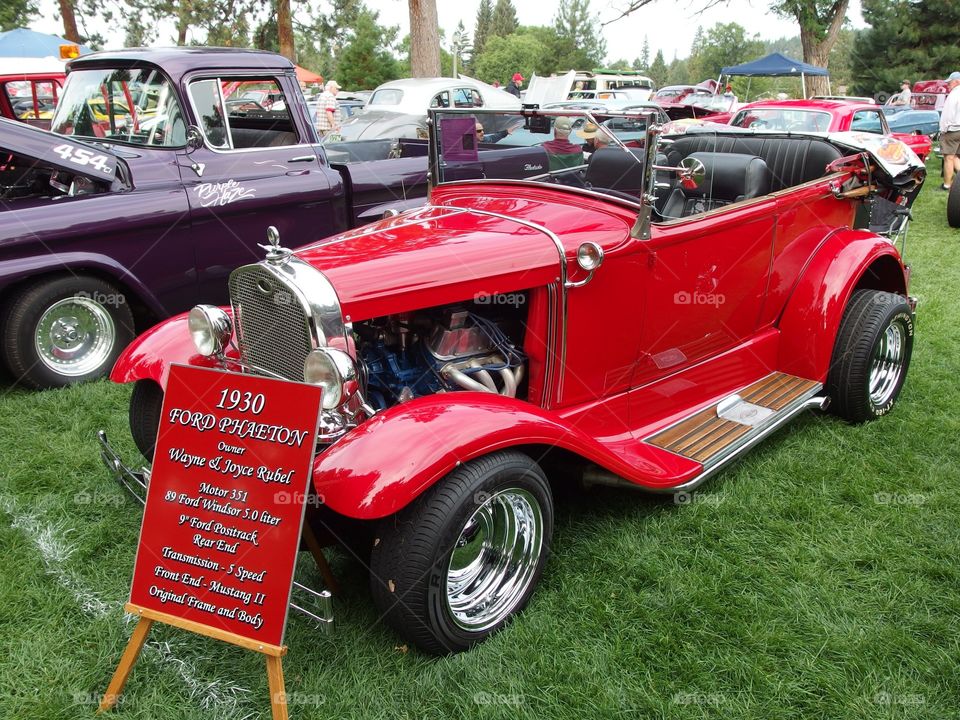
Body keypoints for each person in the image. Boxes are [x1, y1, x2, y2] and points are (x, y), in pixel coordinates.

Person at [939, 72, 960, 191]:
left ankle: (947, 185)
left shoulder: (954, 94)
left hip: (953, 130)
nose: (948, 84)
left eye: (950, 82)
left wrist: (943, 129)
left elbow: (948, 114)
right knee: (956, 157)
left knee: (948, 158)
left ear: (957, 81)